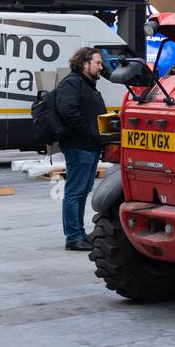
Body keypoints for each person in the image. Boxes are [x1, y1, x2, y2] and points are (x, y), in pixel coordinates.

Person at [55, 46, 107, 251]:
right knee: (75, 192)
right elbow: (68, 112)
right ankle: (73, 236)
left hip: (88, 145)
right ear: (85, 64)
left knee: (82, 191)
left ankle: (79, 233)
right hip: (79, 146)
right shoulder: (72, 83)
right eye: (98, 63)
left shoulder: (85, 83)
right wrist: (89, 132)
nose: (101, 67)